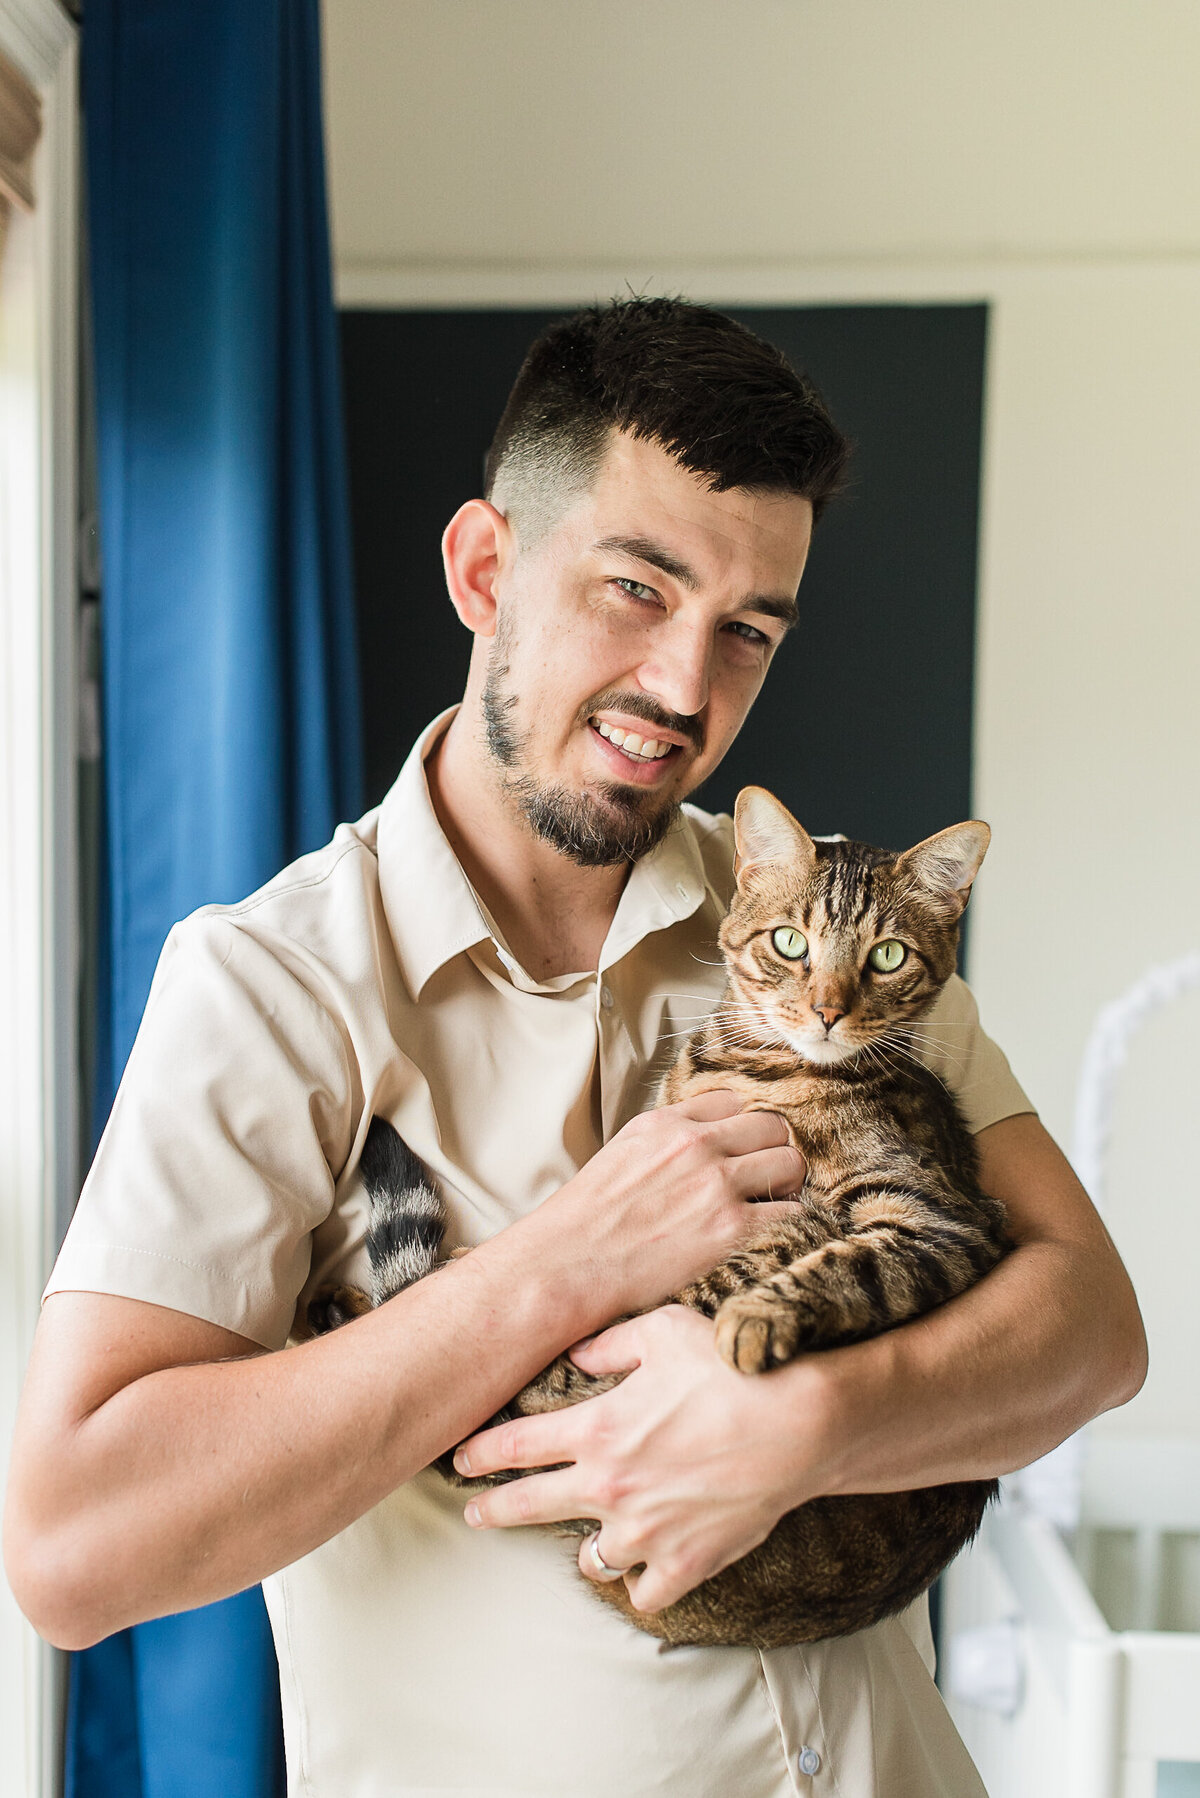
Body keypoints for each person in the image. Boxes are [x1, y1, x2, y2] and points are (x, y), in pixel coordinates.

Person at [6, 299, 1145, 1797]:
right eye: (635, 587)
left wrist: (800, 1424)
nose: (687, 687)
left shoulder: (810, 932)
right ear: (487, 569)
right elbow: (75, 1548)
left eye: (749, 630)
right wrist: (563, 1263)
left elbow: (1093, 1330)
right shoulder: (270, 986)